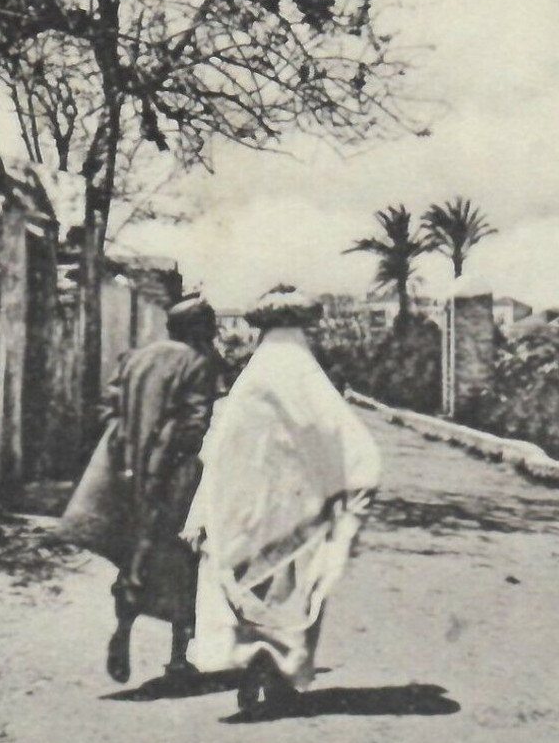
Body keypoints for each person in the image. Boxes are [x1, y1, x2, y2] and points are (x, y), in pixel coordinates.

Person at [179, 286, 382, 718]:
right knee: (295, 587)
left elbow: (217, 452)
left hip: (248, 505)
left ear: (260, 332)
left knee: (244, 579)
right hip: (300, 506)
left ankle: (250, 658)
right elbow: (350, 444)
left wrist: (202, 509)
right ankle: (282, 670)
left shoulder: (251, 381)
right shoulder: (311, 380)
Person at [59, 294, 221, 684]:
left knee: (135, 554)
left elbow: (109, 405)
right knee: (183, 562)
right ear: (198, 329)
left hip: (127, 470)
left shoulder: (135, 358)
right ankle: (178, 659)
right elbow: (195, 423)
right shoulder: (197, 363)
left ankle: (125, 628)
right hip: (173, 474)